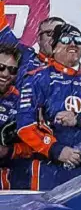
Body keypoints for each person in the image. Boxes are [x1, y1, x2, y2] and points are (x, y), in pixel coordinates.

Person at [16, 23, 81, 189]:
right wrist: (55, 149)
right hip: (48, 168)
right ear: (53, 48)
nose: (73, 43)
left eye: (78, 40)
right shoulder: (36, 78)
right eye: (66, 39)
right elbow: (25, 126)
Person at [0, 43, 34, 189]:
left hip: (8, 176)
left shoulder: (22, 101)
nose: (5, 74)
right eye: (0, 67)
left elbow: (34, 147)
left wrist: (9, 150)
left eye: (12, 70)